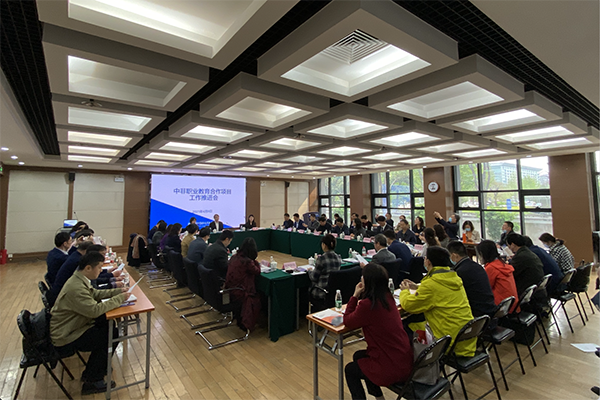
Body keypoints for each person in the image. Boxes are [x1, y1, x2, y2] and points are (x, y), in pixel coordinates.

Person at [50, 251, 128, 395]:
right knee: (109, 335)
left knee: (108, 326)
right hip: (66, 335)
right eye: (99, 267)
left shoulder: (79, 279)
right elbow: (94, 310)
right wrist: (120, 298)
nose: (100, 270)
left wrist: (116, 292)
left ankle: (95, 369)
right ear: (88, 268)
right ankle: (93, 381)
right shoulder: (76, 287)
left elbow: (95, 294)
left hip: (74, 326)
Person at [344, 263, 413, 400]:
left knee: (350, 370)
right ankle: (379, 397)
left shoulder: (367, 305)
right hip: (404, 360)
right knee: (358, 356)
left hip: (390, 367)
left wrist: (355, 295)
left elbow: (348, 321)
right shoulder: (388, 298)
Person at [399, 246, 475, 357]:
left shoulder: (431, 284)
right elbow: (439, 293)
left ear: (428, 262)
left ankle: (414, 361)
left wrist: (404, 291)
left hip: (448, 342)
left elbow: (409, 305)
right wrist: (418, 287)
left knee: (406, 325)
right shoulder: (454, 278)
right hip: (466, 338)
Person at [447, 241, 497, 319]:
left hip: (477, 314)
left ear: (454, 256)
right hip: (488, 309)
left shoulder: (460, 272)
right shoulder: (477, 266)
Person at [225, 237, 261, 331]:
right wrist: (256, 262)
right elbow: (257, 271)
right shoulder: (247, 262)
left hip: (230, 288)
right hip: (241, 291)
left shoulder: (234, 257)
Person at [506, 234, 548, 310]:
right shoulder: (528, 252)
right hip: (537, 291)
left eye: (508, 245)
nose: (508, 247)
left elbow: (510, 274)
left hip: (528, 292)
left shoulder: (520, 256)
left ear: (512, 244)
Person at [477, 240, 519, 313]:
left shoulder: (491, 268)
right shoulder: (502, 264)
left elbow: (486, 288)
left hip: (501, 307)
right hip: (512, 305)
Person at [308, 234, 341, 309]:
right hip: (333, 292)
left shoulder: (321, 259)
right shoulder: (338, 258)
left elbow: (313, 278)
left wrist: (310, 271)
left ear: (324, 245)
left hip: (321, 292)